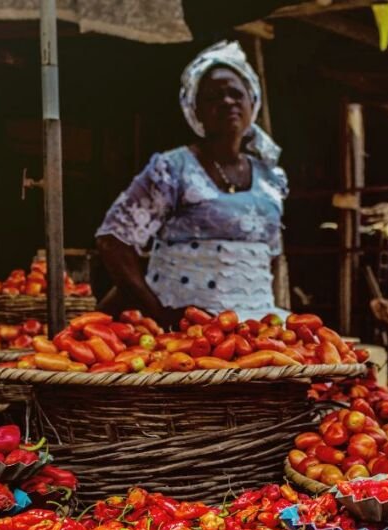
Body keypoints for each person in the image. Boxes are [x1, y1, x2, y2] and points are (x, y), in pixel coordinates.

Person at [95, 41, 288, 327]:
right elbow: (113, 241)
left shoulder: (272, 178)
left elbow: (270, 256)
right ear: (194, 110)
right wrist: (159, 313)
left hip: (254, 325)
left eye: (236, 93)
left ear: (253, 101)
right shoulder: (172, 169)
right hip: (185, 328)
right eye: (213, 97)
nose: (227, 102)